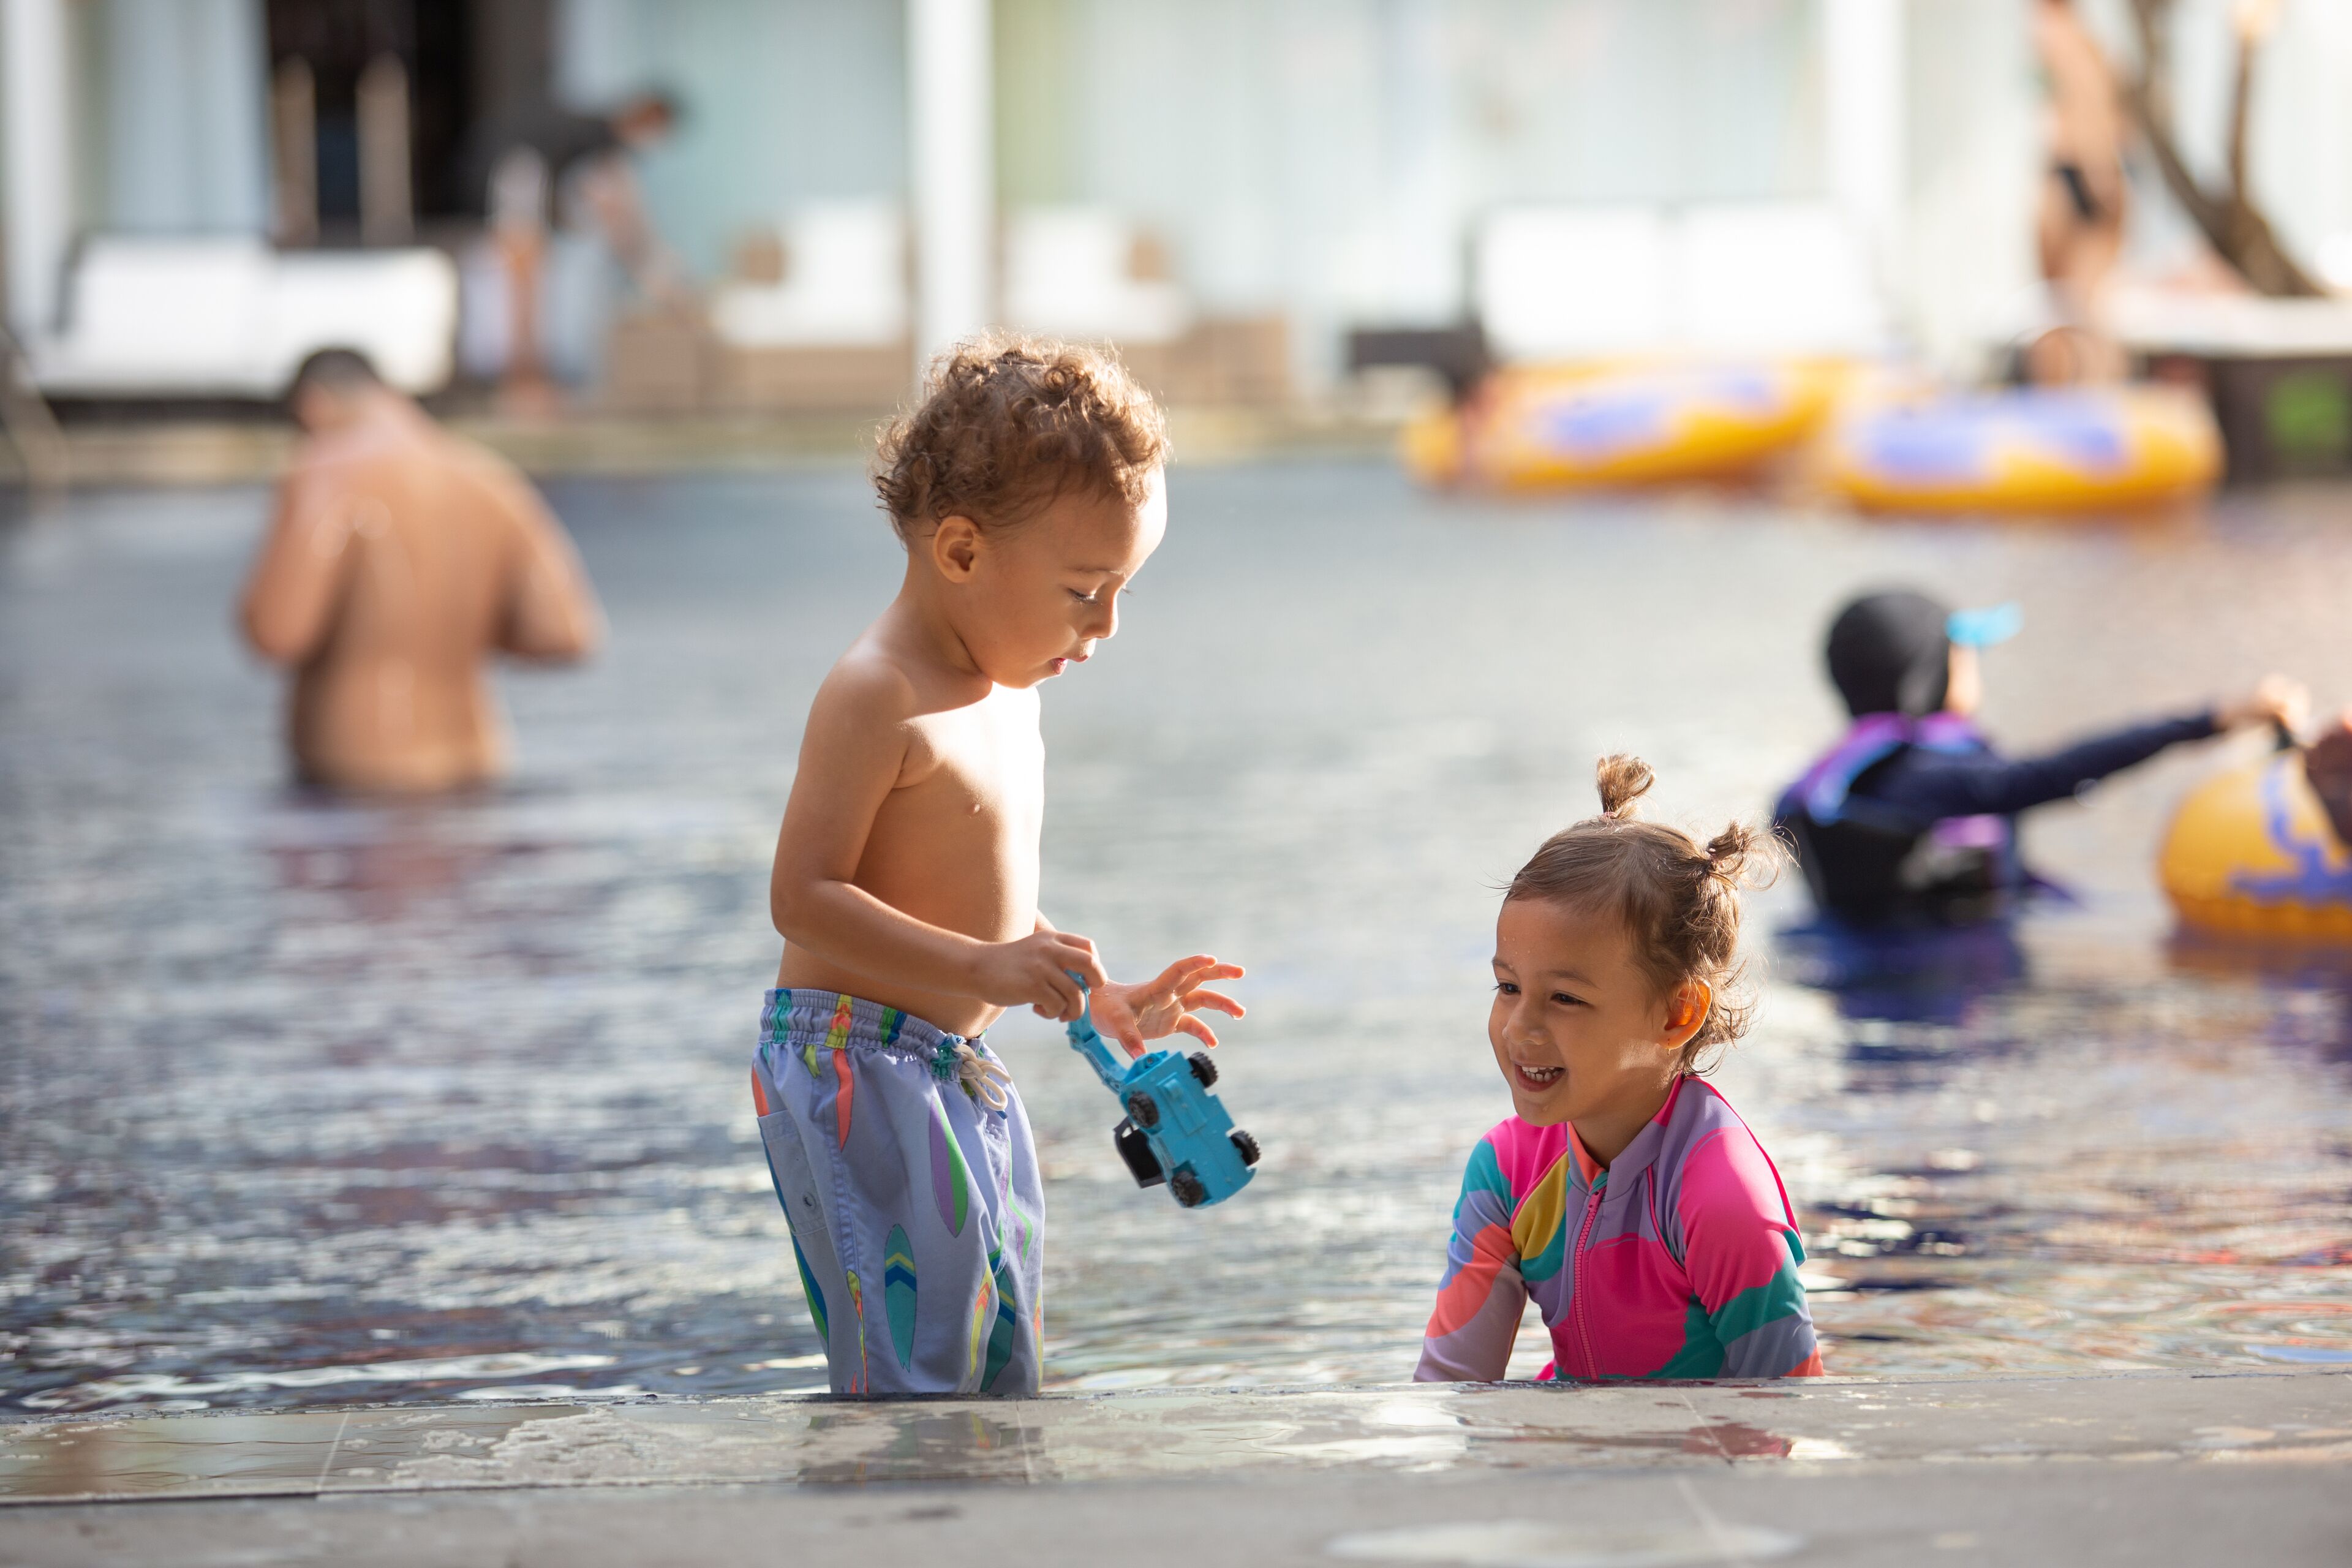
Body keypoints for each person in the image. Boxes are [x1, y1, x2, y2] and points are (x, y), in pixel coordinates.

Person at [750, 336, 1244, 1397]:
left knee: (995, 1340)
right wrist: (984, 969)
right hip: (856, 1067)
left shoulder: (1005, 690)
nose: (1107, 626)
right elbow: (805, 897)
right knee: (917, 1363)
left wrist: (1082, 998)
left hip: (946, 1062)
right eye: (1084, 590)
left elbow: (973, 899)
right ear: (962, 553)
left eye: (1123, 590)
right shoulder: (878, 691)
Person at [1417, 756, 1820, 1382]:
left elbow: (1788, 1407)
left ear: (1676, 1014)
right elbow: (1450, 1386)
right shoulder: (1507, 1170)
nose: (1520, 1027)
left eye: (1566, 998)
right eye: (1507, 986)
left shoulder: (1720, 1196)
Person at [1775, 589, 2305, 925]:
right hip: (1957, 998)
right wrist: (2214, 719)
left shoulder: (1847, 778)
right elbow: (2058, 772)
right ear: (1932, 673)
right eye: (1967, 654)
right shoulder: (1933, 777)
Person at [239, 349, 603, 793]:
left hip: (356, 779)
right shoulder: (491, 480)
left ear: (313, 404)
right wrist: (461, 624)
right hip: (476, 772)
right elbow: (565, 635)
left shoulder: (324, 473)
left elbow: (277, 633)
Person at [462, 91, 684, 409]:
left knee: (531, 262)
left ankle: (528, 377)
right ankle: (524, 379)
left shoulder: (588, 134)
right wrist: (660, 281)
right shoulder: (596, 139)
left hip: (514, 171)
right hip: (516, 171)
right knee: (523, 263)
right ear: (650, 120)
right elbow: (618, 216)